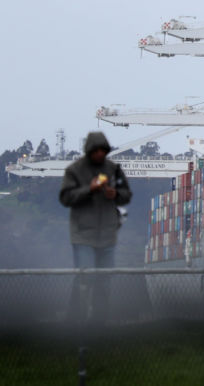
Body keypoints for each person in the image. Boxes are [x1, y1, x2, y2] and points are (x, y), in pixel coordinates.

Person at [59, 131, 132, 320]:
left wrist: (114, 194)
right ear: (89, 150)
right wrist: (89, 189)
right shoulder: (74, 170)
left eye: (103, 150)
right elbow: (66, 198)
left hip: (107, 235)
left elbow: (126, 194)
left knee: (105, 281)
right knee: (86, 277)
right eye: (96, 150)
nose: (100, 154)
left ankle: (99, 324)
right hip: (83, 235)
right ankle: (76, 318)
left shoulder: (114, 169)